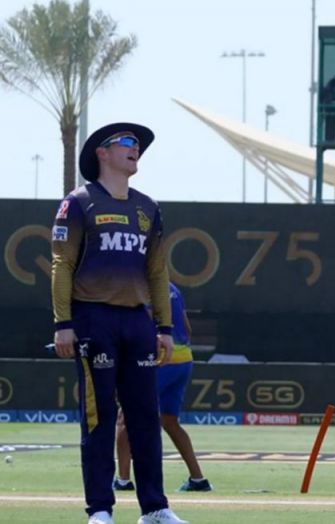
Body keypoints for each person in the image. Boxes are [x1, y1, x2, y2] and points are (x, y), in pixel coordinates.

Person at [51, 122, 188, 524]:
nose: (136, 149)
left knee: (146, 415)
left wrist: (163, 328)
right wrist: (63, 322)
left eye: (139, 145)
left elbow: (158, 271)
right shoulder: (78, 203)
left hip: (137, 321)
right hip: (93, 318)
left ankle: (155, 508)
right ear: (102, 153)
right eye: (127, 143)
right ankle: (99, 509)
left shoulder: (148, 207)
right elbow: (61, 264)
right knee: (100, 418)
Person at [114, 282, 213, 493]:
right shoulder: (173, 288)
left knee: (124, 417)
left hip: (159, 361)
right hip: (184, 359)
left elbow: (146, 326)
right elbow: (187, 329)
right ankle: (198, 479)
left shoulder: (142, 288)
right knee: (169, 421)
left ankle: (122, 480)